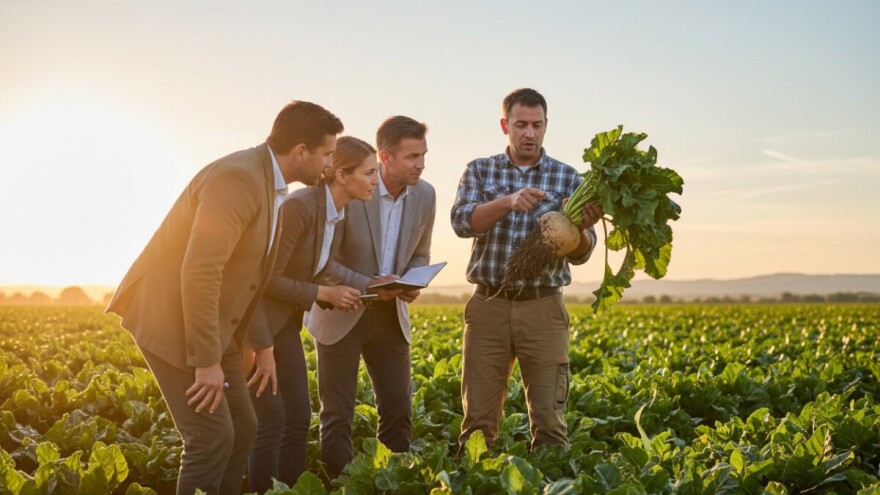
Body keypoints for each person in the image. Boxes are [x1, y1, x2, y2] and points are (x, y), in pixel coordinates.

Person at [105, 100, 343, 495]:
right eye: (327, 153)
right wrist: (206, 362)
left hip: (217, 325)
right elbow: (202, 270)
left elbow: (246, 278)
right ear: (301, 151)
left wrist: (247, 343)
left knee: (245, 427)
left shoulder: (270, 184)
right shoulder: (238, 179)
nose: (331, 164)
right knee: (210, 437)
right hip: (171, 317)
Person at [451, 88, 603, 450]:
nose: (529, 133)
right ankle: (477, 476)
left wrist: (578, 230)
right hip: (488, 305)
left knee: (550, 422)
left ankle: (552, 477)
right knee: (478, 424)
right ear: (505, 125)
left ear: (546, 125)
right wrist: (508, 202)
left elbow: (583, 253)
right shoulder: (480, 170)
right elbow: (461, 221)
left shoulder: (568, 177)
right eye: (521, 125)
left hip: (543, 306)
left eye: (537, 125)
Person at [244, 136, 379, 492]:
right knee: (271, 421)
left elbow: (319, 267)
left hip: (284, 324)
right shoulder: (299, 206)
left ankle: (288, 489)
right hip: (258, 327)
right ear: (341, 174)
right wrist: (324, 293)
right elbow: (266, 278)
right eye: (369, 173)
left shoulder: (336, 213)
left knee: (299, 418)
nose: (376, 181)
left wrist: (352, 291)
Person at [305, 116, 435, 477]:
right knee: (337, 414)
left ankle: (392, 482)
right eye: (412, 156)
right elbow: (323, 261)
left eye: (424, 155)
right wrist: (373, 284)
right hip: (341, 311)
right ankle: (341, 484)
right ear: (385, 157)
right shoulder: (352, 187)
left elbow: (421, 253)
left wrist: (411, 281)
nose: (421, 164)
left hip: (392, 317)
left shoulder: (426, 195)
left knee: (398, 410)